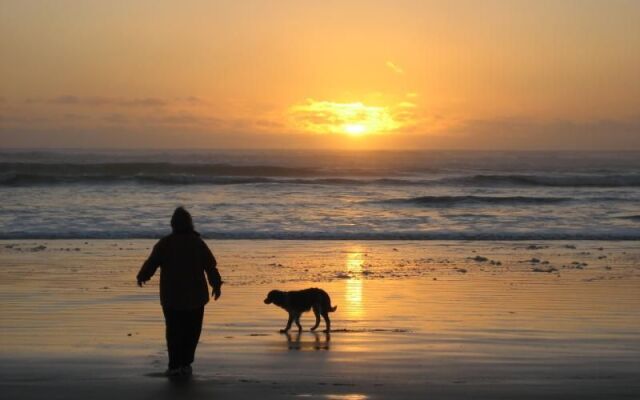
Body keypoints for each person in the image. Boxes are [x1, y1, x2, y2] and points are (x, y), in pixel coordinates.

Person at [136, 207, 222, 377]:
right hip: (196, 296)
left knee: (174, 331)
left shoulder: (165, 243)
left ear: (173, 224)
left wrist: (142, 276)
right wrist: (216, 285)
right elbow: (210, 267)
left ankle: (175, 365)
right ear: (190, 224)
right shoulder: (198, 243)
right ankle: (186, 363)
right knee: (192, 331)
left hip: (171, 296)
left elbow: (152, 263)